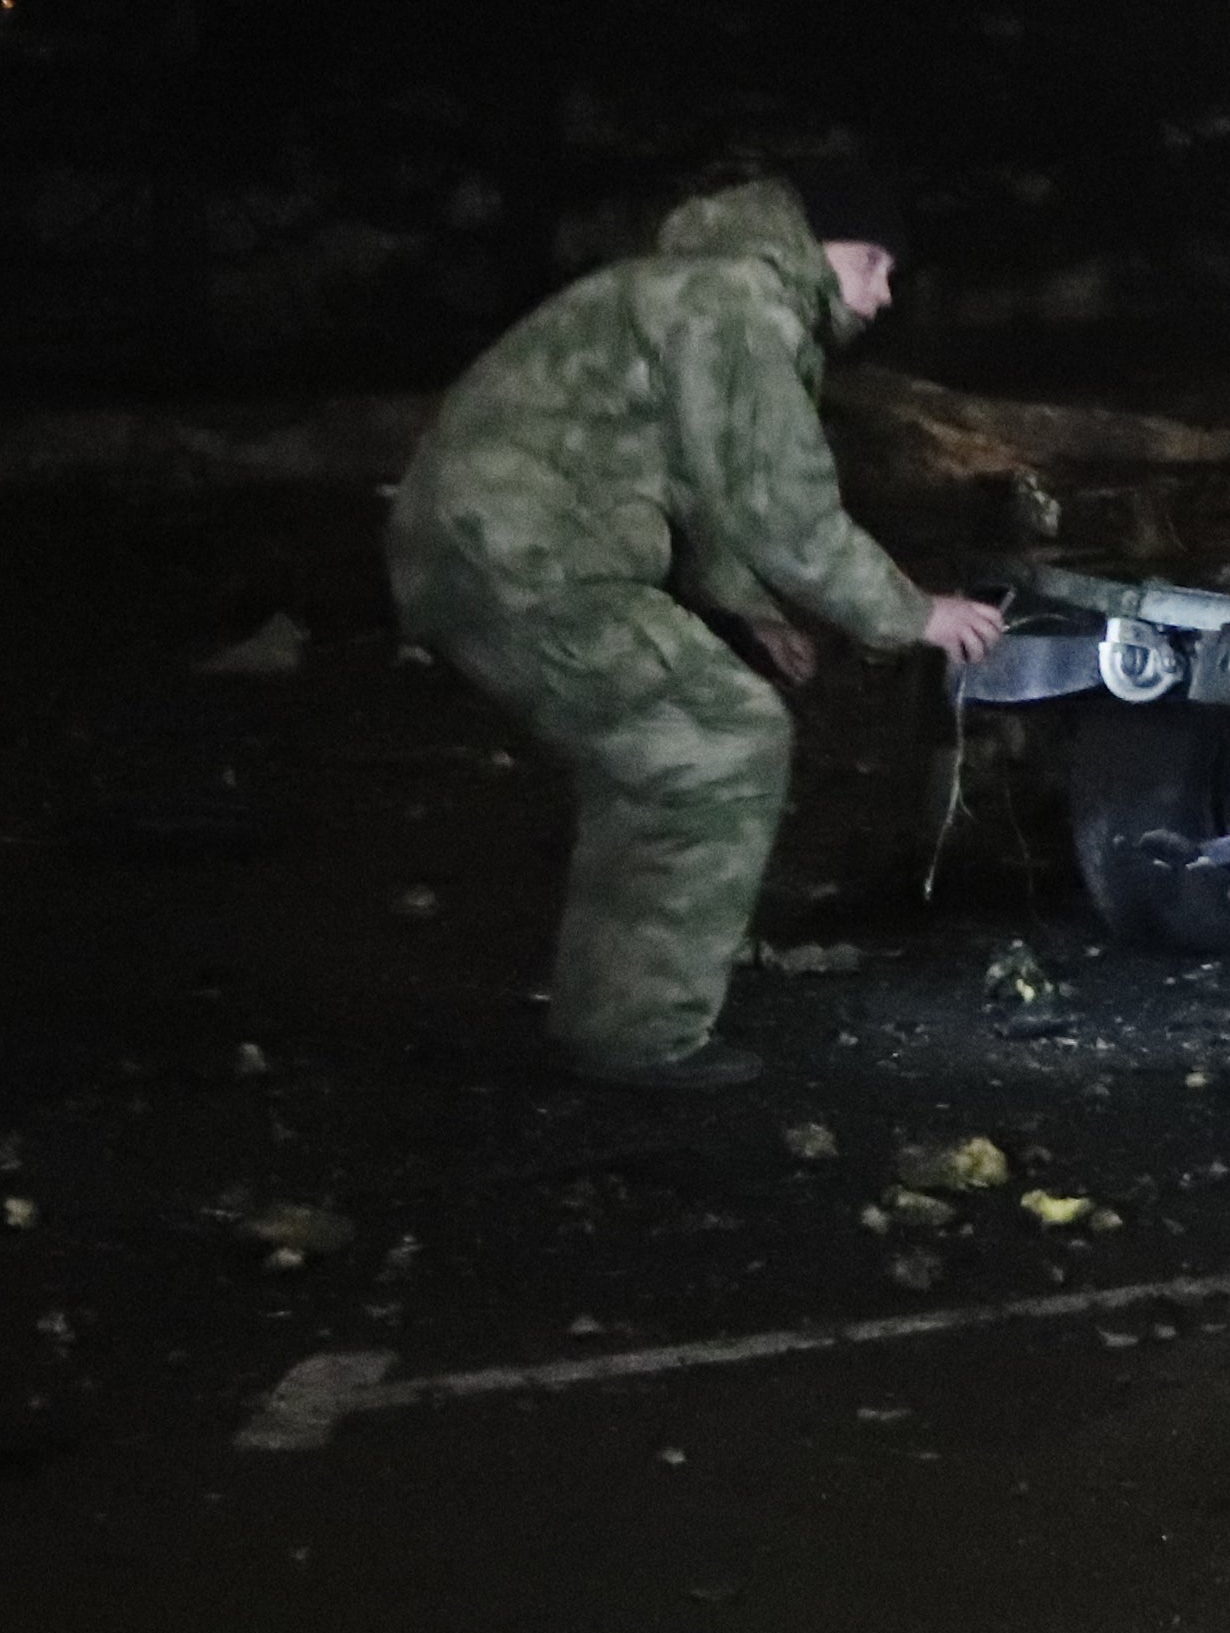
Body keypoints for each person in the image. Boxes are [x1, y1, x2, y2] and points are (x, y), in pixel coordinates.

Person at [386, 166, 1004, 1089]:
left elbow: (688, 474)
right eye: (874, 263)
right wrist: (915, 613)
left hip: (486, 551)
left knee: (659, 760)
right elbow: (777, 504)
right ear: (811, 242)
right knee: (719, 742)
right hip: (527, 557)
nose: (881, 294)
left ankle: (614, 1016)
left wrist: (748, 606)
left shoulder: (686, 293)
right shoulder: (736, 301)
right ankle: (636, 1036)